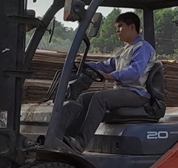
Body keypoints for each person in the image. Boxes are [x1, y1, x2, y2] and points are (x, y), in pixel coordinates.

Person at [63, 12, 156, 152]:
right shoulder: (125, 50)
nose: (117, 31)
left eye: (120, 27)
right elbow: (106, 65)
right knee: (84, 98)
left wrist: (109, 76)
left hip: (137, 93)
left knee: (100, 98)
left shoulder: (142, 48)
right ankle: (67, 139)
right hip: (123, 91)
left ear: (132, 27)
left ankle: (81, 143)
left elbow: (134, 72)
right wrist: (83, 65)